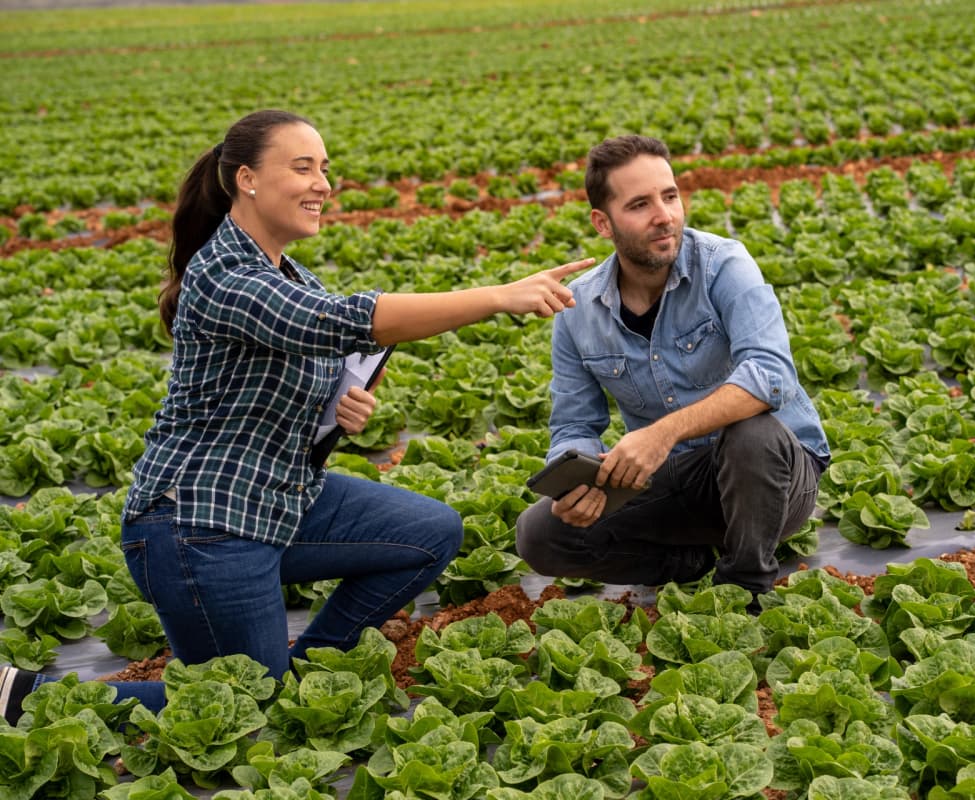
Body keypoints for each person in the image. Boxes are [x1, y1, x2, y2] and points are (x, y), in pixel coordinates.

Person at [0, 109, 592, 724]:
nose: (322, 184)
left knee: (429, 531)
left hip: (279, 500)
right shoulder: (226, 275)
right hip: (200, 525)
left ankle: (312, 665)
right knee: (238, 705)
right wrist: (499, 296)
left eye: (325, 169)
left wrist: (336, 408)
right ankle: (30, 697)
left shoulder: (289, 273)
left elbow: (307, 362)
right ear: (247, 179)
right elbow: (337, 322)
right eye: (303, 167)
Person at [515, 134, 829, 611]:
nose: (664, 215)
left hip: (775, 477)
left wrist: (663, 434)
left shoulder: (724, 264)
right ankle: (688, 565)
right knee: (540, 535)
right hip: (678, 480)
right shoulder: (578, 309)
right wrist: (577, 478)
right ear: (603, 222)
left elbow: (769, 375)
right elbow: (575, 424)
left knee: (751, 432)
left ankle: (743, 588)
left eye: (670, 196)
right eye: (640, 204)